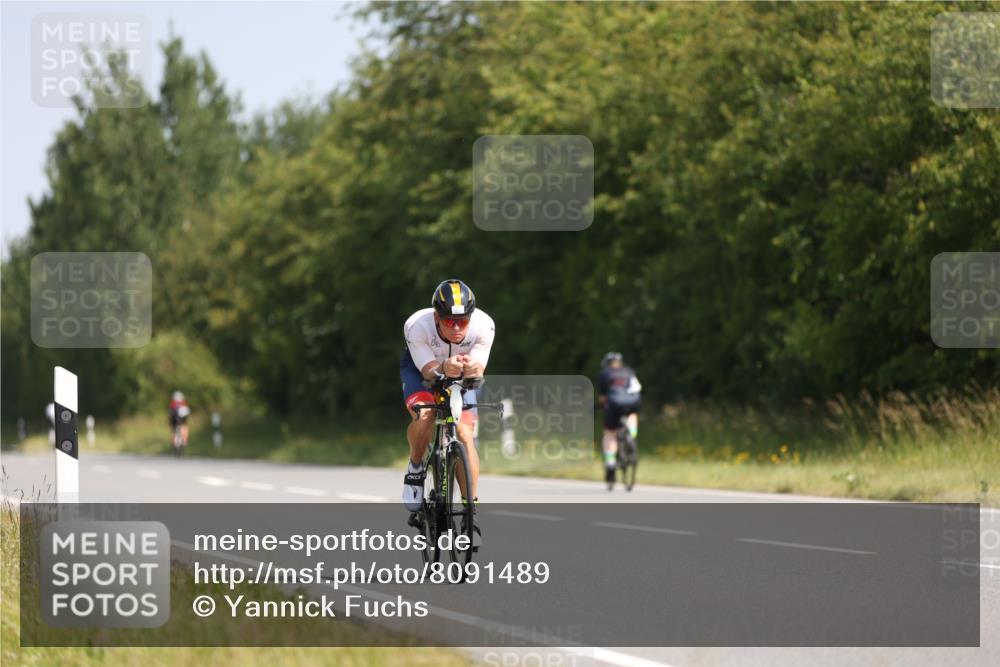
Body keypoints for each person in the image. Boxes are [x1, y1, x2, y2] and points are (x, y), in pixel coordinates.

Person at [400, 279, 495, 547]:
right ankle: (415, 467)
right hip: (423, 369)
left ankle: (470, 510)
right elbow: (429, 372)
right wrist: (443, 366)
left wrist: (473, 369)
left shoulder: (484, 325)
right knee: (425, 416)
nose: (456, 328)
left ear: (470, 319)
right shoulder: (417, 326)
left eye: (462, 322)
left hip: (461, 375)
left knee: (465, 434)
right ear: (436, 317)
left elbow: (477, 370)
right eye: (448, 321)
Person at [597, 352, 642, 485]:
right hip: (632, 401)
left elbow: (602, 396)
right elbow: (637, 388)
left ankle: (610, 463)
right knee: (632, 414)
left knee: (610, 434)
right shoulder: (629, 371)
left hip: (614, 403)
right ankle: (631, 435)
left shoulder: (605, 373)